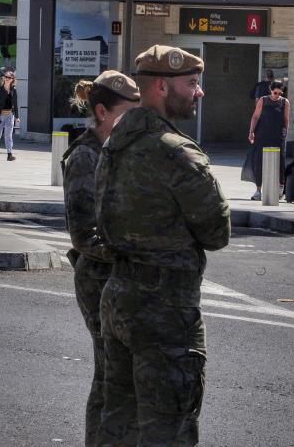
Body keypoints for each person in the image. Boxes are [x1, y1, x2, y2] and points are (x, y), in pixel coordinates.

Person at [95, 45, 231, 445]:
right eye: (191, 83)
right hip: (165, 309)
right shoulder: (176, 152)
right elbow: (216, 233)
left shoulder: (116, 141)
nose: (198, 92)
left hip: (118, 297)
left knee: (117, 423)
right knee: (168, 429)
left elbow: (101, 217)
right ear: (160, 86)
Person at [61, 70, 140, 446]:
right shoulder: (85, 157)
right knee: (109, 374)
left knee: (123, 375)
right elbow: (84, 234)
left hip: (121, 276)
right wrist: (133, 252)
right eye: (127, 113)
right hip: (97, 278)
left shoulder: (121, 152)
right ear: (103, 112)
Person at [243, 80, 291, 200]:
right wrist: (251, 132)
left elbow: (286, 120)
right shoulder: (263, 100)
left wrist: (285, 133)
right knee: (259, 161)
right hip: (262, 134)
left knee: (280, 160)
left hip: (277, 135)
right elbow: (255, 116)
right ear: (271, 90)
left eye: (280, 93)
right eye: (275, 93)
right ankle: (258, 190)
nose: (277, 96)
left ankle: (280, 187)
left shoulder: (285, 102)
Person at [0, 69, 19, 161]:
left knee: (8, 135)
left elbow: (15, 103)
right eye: (5, 77)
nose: (7, 78)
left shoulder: (13, 90)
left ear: (12, 79)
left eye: (9, 77)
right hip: (0, 116)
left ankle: (9, 154)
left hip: (10, 115)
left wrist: (17, 117)